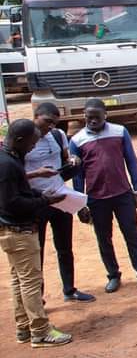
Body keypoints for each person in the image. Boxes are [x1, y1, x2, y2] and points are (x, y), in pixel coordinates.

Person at [70, 100, 137, 293]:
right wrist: (80, 203)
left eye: (96, 117)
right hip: (96, 198)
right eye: (88, 117)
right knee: (104, 238)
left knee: (132, 234)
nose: (92, 121)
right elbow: (77, 175)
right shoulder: (77, 140)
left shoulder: (119, 132)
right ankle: (113, 275)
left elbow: (131, 161)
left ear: (105, 115)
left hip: (123, 194)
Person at [1, 119, 72, 347]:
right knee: (31, 282)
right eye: (31, 143)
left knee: (18, 280)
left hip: (9, 230)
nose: (33, 147)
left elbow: (14, 191)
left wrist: (33, 181)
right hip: (19, 230)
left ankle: (23, 328)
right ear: (20, 140)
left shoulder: (9, 159)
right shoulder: (8, 165)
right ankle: (40, 331)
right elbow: (13, 202)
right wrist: (45, 200)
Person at [27, 103, 94, 302]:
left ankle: (69, 289)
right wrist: (37, 174)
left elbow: (65, 157)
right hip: (36, 201)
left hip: (60, 196)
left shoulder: (57, 135)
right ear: (36, 116)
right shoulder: (25, 139)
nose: (50, 126)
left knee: (64, 246)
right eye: (47, 121)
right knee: (36, 250)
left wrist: (72, 159)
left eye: (54, 123)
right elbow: (13, 174)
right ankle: (37, 297)